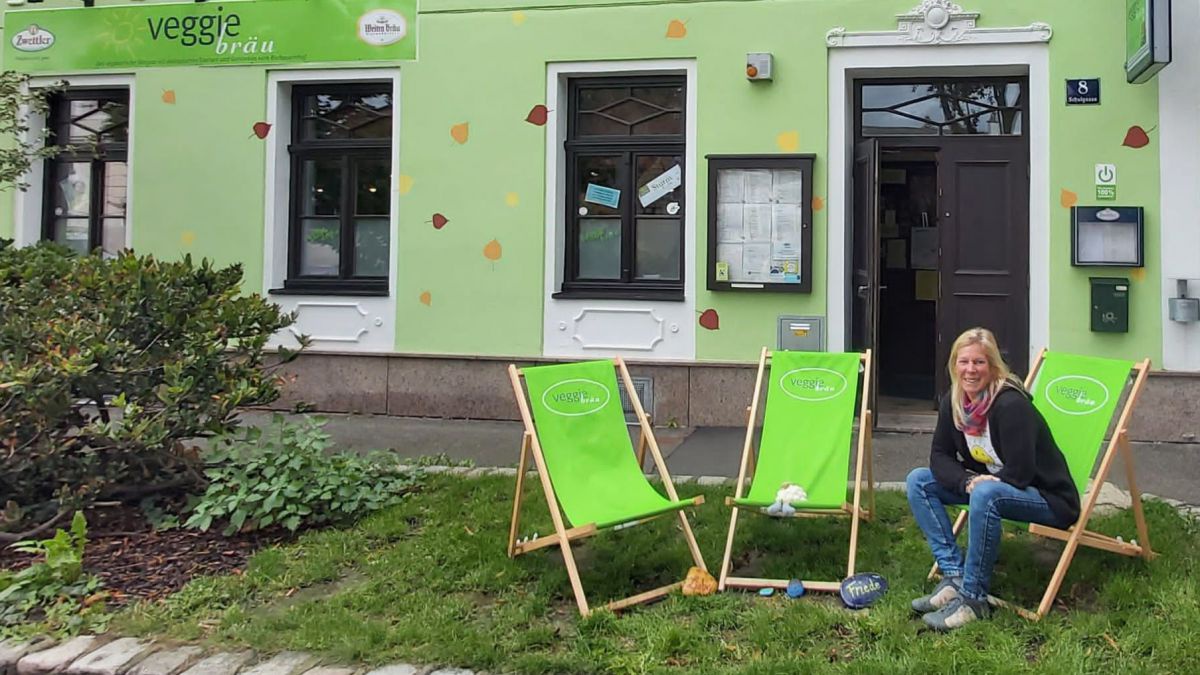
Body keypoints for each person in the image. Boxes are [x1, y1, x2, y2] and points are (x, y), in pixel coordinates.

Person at [906, 328, 1080, 631]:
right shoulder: (955, 402)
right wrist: (965, 482)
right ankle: (955, 577)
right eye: (964, 362)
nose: (970, 370)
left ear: (993, 366)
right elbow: (939, 455)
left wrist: (978, 485)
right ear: (954, 365)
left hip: (1045, 498)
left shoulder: (1011, 406)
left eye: (979, 363)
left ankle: (973, 600)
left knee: (986, 493)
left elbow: (1021, 473)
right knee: (919, 480)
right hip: (989, 488)